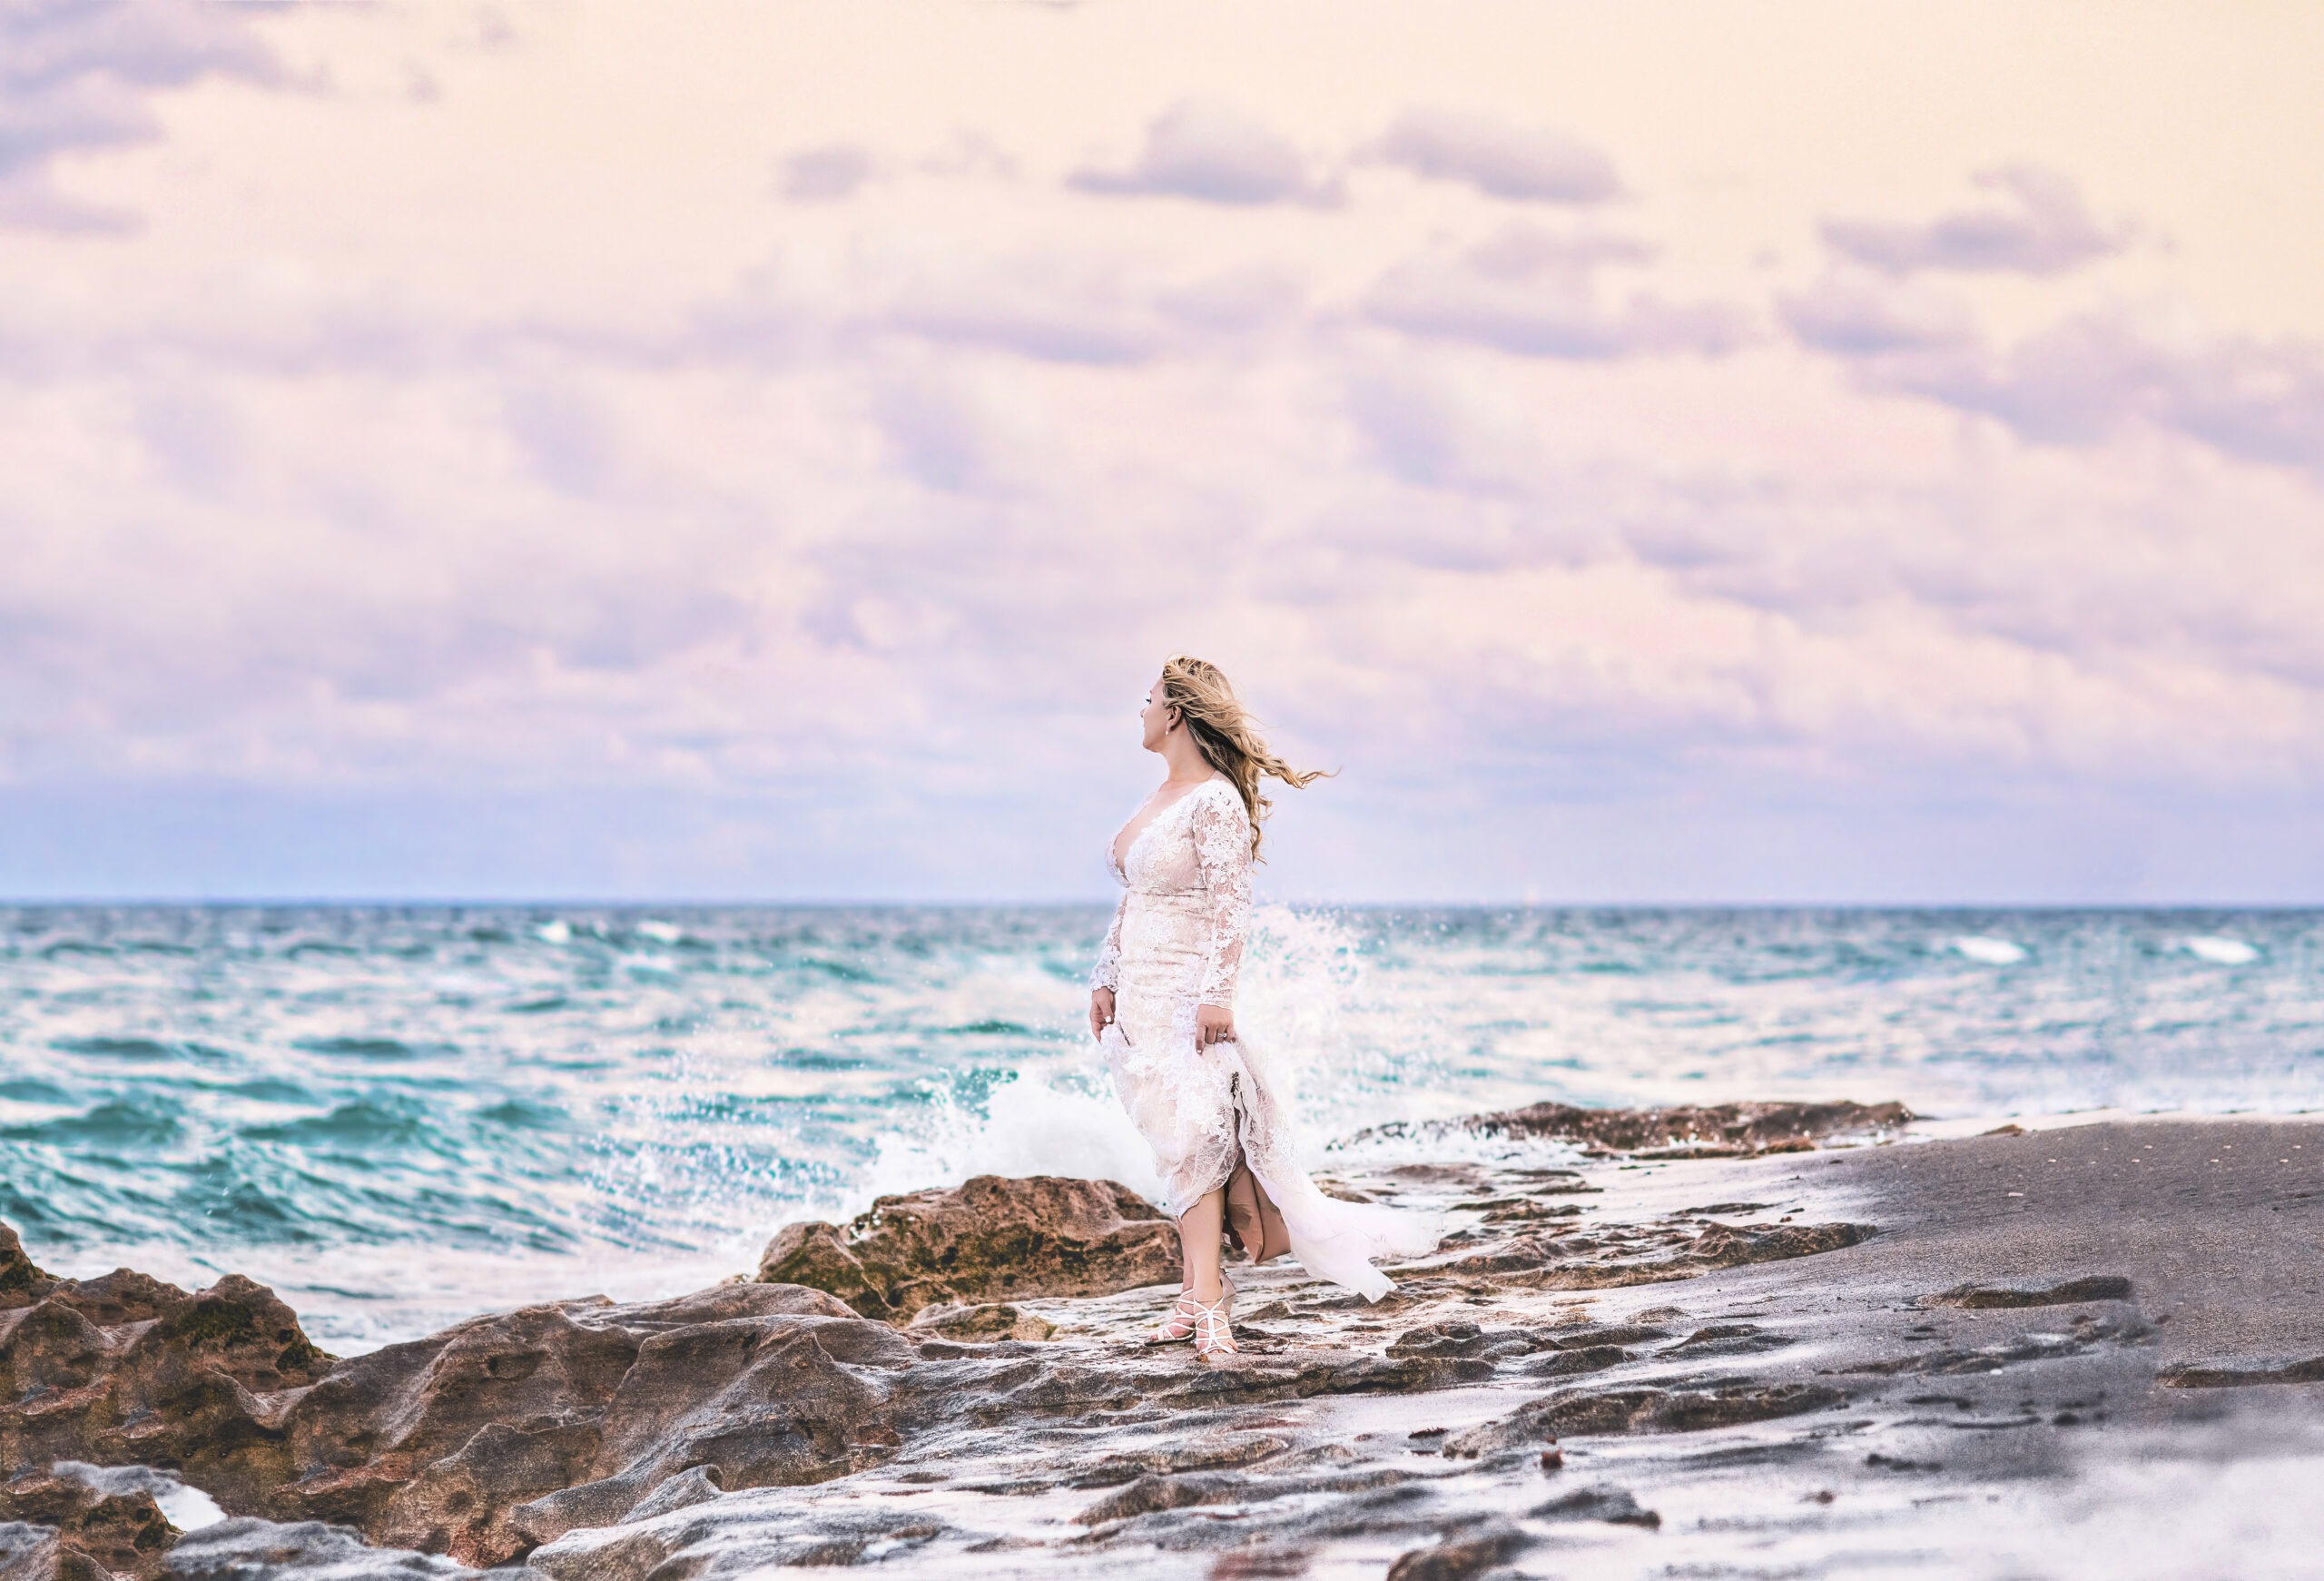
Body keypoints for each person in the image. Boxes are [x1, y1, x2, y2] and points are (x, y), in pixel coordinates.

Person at [1088, 655, 1441, 1360]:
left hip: (1189, 995)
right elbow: (1135, 899)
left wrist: (1218, 995)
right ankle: (1192, 1297)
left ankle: (1212, 1305)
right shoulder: (1156, 798)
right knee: (1176, 1142)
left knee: (1195, 1138)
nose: (1140, 710)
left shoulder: (1215, 800)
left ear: (1177, 712)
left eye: (1149, 698)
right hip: (1141, 996)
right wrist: (1105, 977)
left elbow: (1231, 904)